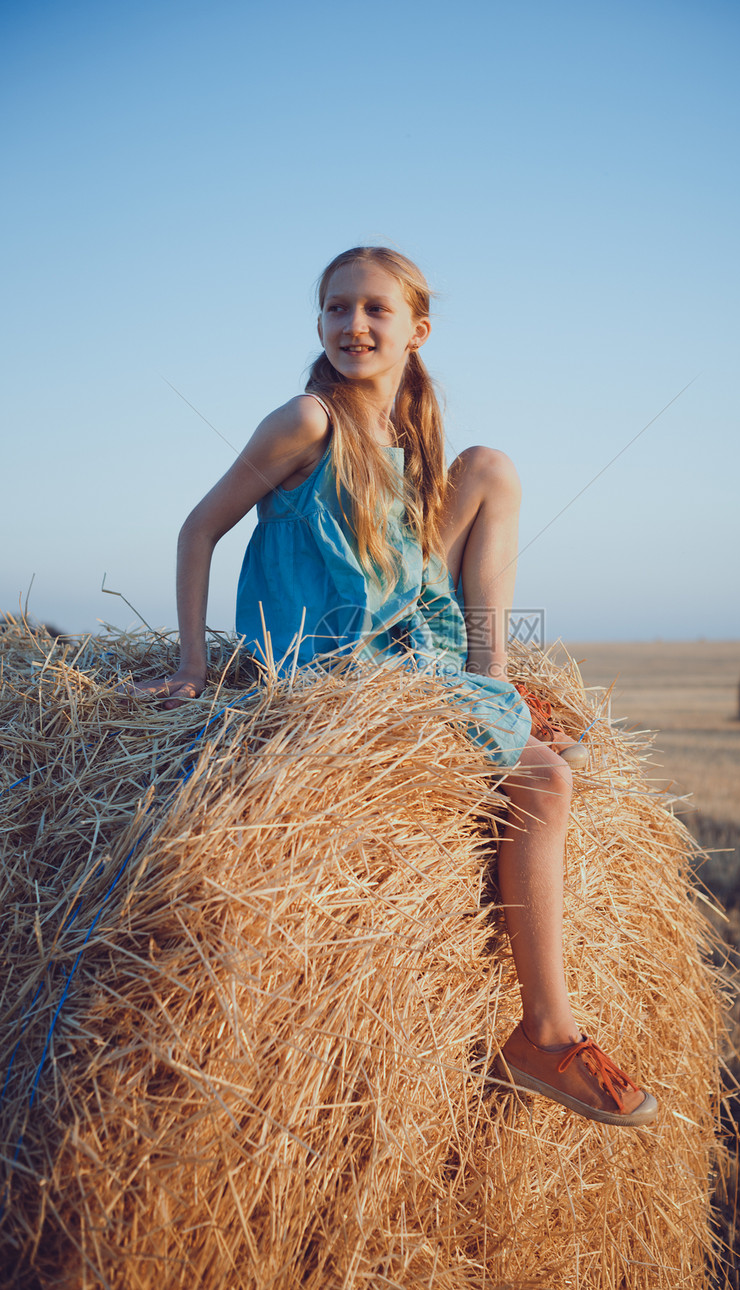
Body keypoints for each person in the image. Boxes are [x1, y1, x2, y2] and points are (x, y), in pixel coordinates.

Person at [136, 246, 657, 1128]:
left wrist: (478, 683)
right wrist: (194, 665)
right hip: (332, 670)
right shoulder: (307, 422)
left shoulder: (412, 444)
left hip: (400, 643)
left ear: (418, 331)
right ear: (319, 326)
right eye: (337, 310)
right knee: (546, 780)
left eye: (375, 310)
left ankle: (490, 686)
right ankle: (545, 1033)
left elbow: (410, 570)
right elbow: (198, 530)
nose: (354, 326)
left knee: (492, 466)